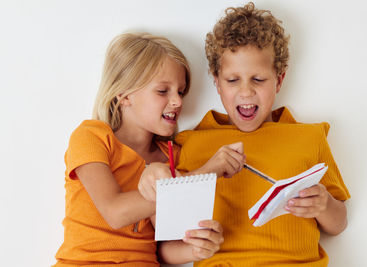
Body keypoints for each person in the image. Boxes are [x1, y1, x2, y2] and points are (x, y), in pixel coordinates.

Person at [139, 2, 350, 267]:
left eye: (258, 80)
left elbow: (339, 222)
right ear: (216, 81)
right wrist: (194, 250)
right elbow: (165, 249)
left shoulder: (310, 138)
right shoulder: (191, 143)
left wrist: (324, 205)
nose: (246, 92)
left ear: (279, 80)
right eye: (232, 80)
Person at [53, 32, 228, 267]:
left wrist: (196, 249)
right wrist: (206, 174)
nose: (177, 101)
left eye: (181, 91)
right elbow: (115, 212)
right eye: (163, 91)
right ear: (125, 95)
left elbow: (162, 250)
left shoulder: (172, 156)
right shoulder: (91, 137)